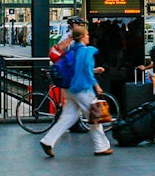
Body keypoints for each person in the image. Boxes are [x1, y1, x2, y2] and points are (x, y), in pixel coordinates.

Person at [40, 25, 112, 157]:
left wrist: (94, 70)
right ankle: (101, 146)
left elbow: (77, 69)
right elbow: (86, 72)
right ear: (83, 37)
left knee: (68, 117)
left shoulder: (71, 50)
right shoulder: (86, 52)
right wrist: (96, 85)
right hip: (83, 89)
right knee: (95, 117)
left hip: (69, 89)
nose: (89, 36)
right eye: (87, 34)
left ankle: (48, 141)